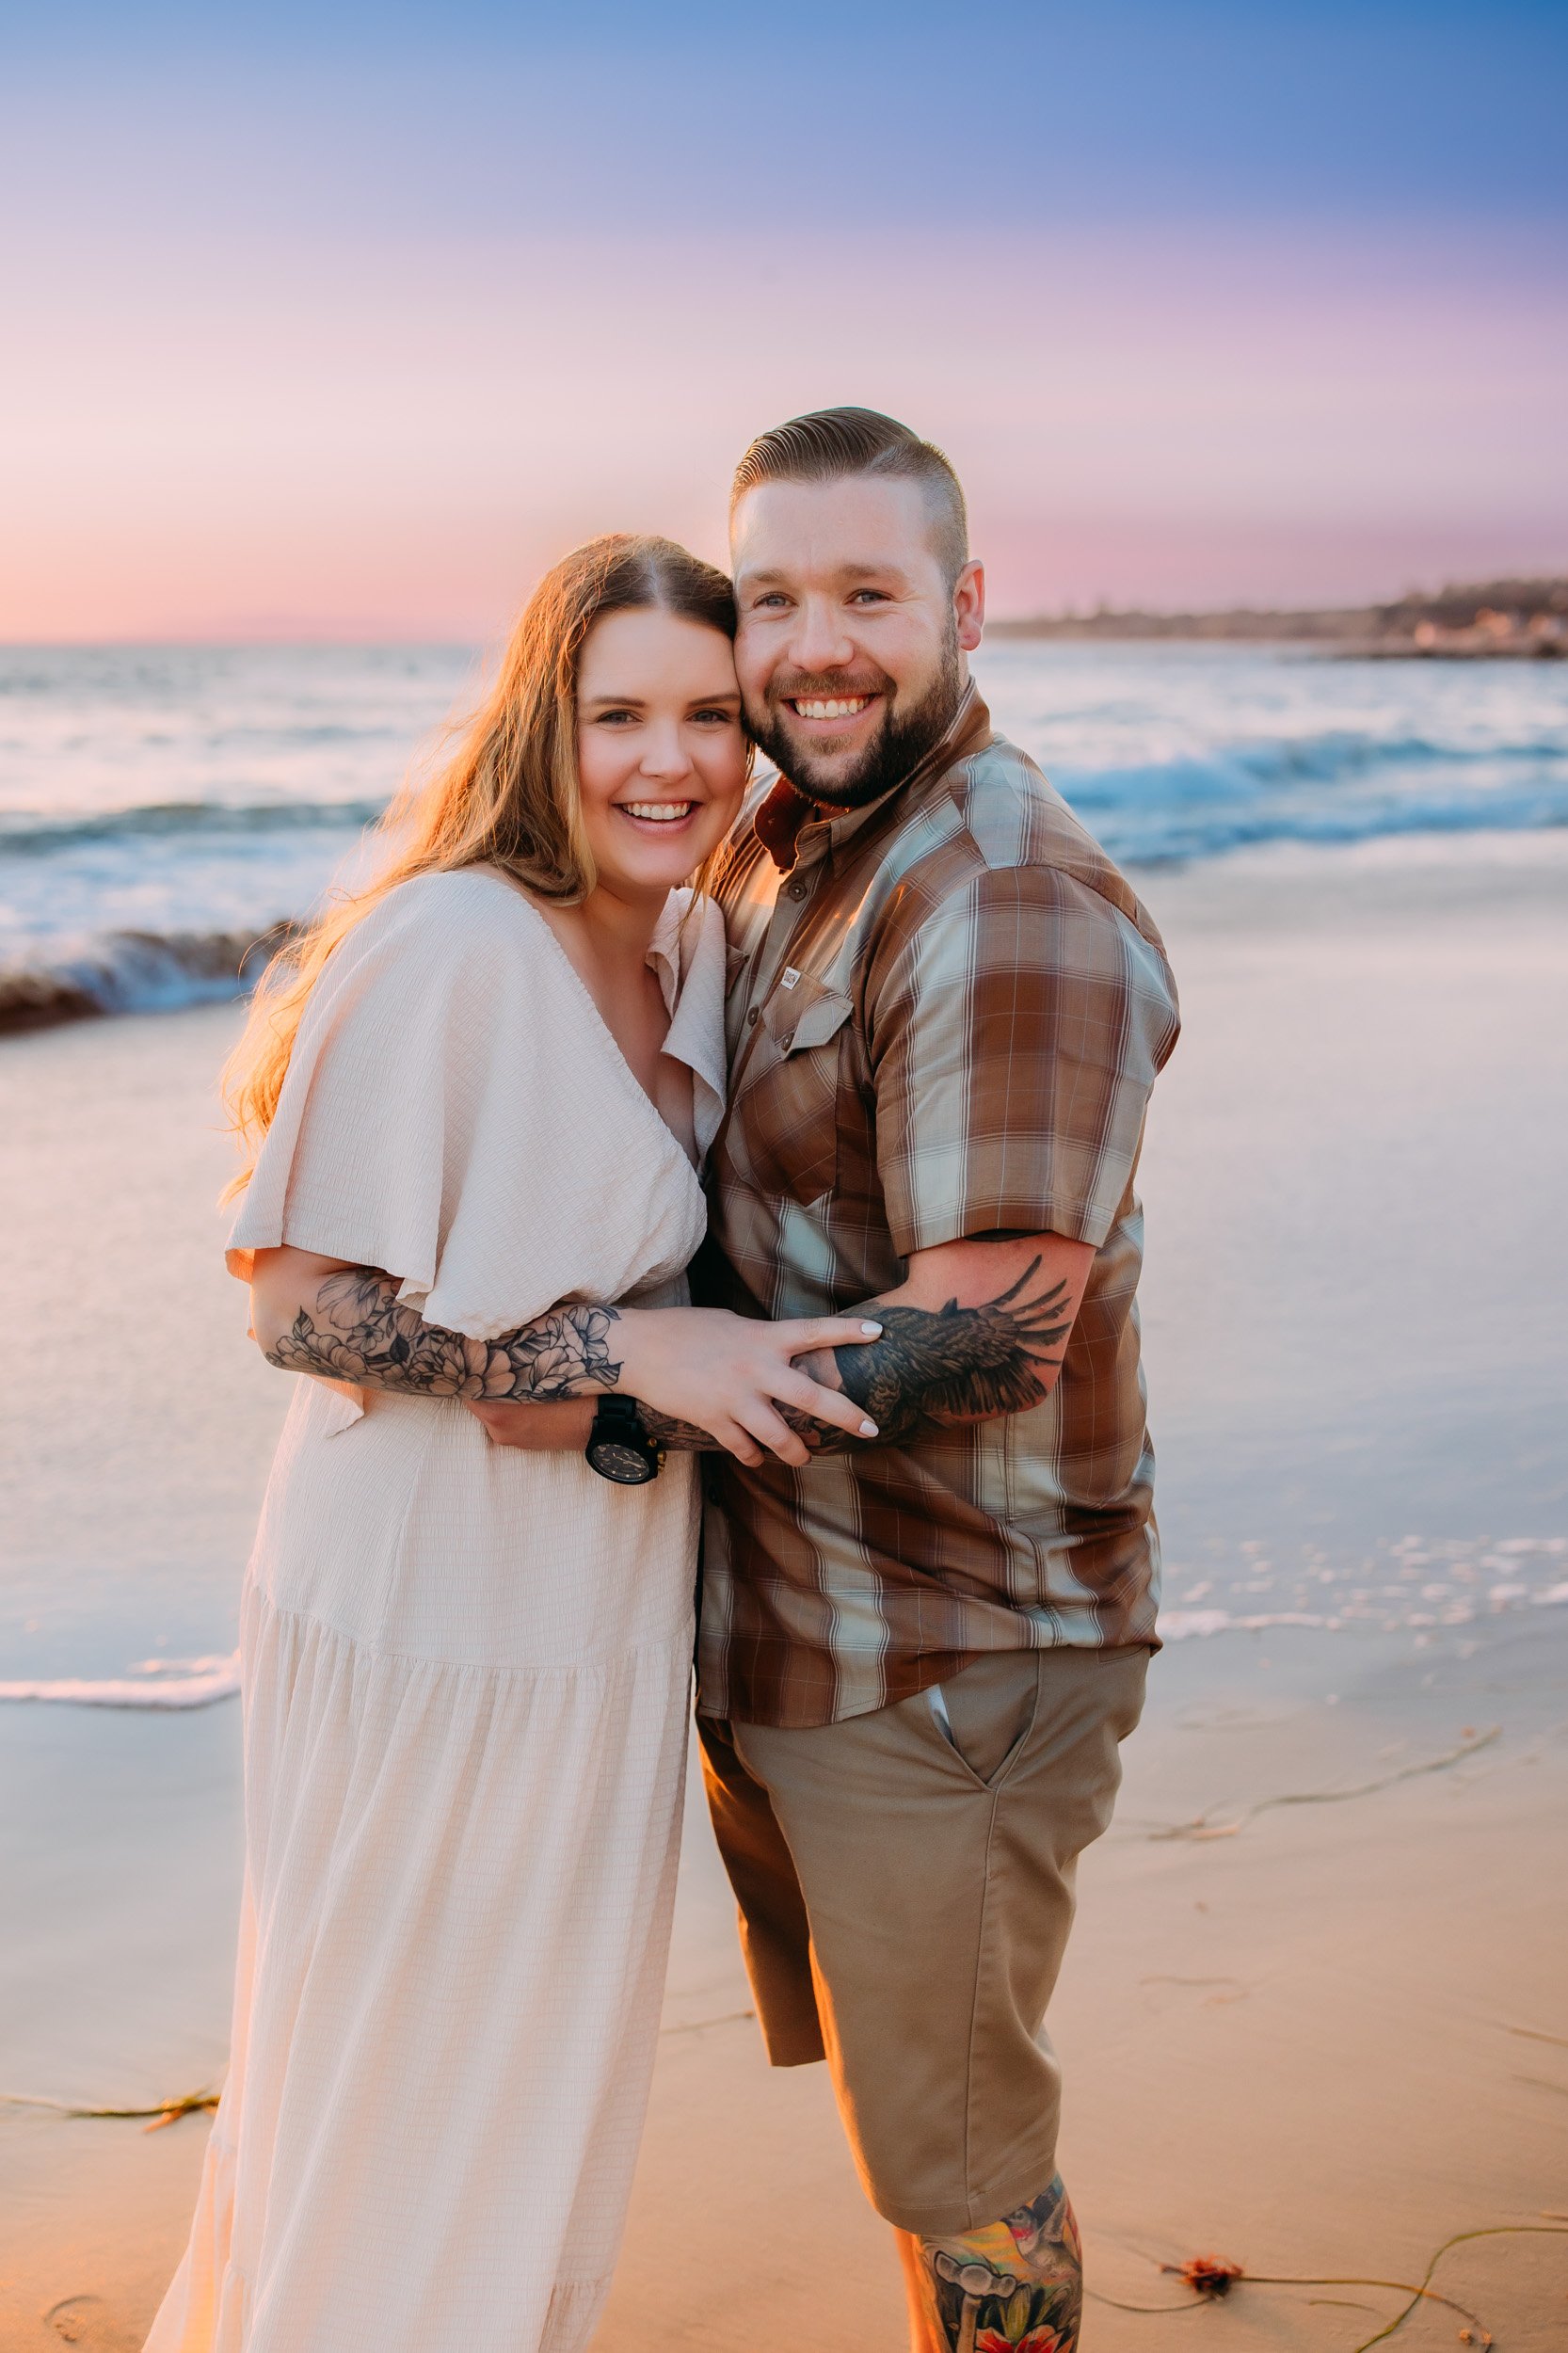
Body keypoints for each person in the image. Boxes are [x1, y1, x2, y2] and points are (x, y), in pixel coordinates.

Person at [488, 411, 1181, 2348]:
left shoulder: (999, 897)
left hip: (946, 1650)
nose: (811, 647)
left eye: (867, 594)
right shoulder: (802, 841)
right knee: (911, 2130)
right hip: (817, 1618)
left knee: (962, 2163)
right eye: (772, 597)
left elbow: (997, 1329)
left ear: (964, 606)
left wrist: (619, 1384)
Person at [145, 534, 882, 2353]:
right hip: (425, 1599)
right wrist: (635, 1345)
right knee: (403, 2081)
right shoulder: (455, 941)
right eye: (617, 714)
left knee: (522, 2092)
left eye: (708, 717)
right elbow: (294, 1307)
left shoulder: (692, 946)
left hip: (593, 1602)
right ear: (540, 727)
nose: (669, 762)